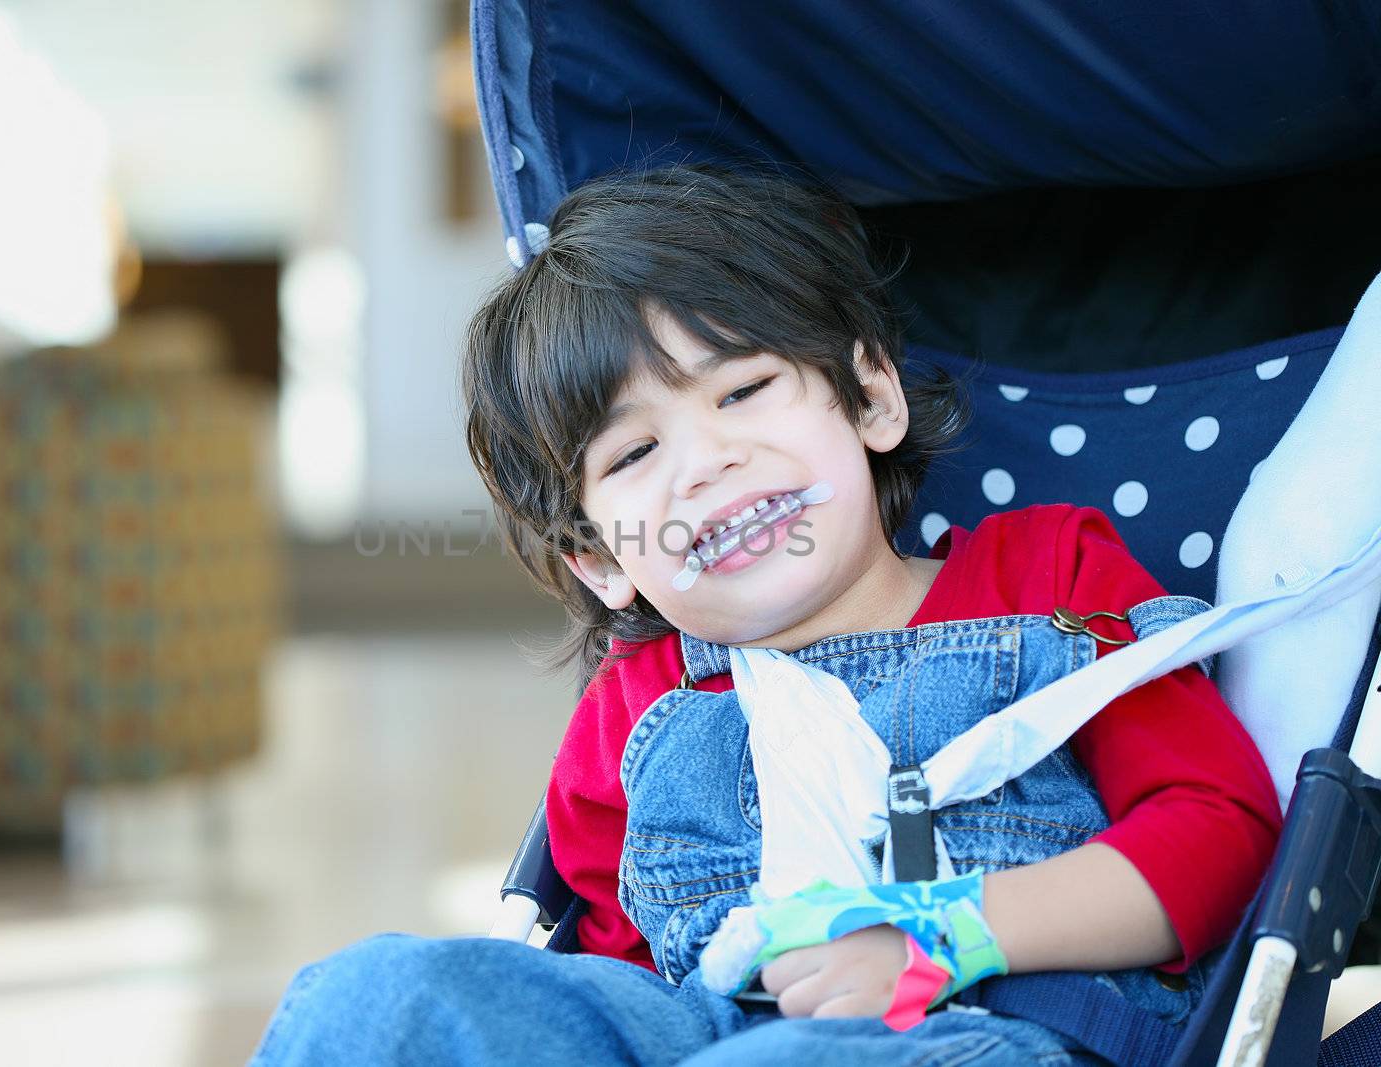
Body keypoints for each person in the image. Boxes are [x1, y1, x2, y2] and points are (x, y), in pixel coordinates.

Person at [249, 165, 1283, 1066]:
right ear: (602, 558)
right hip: (700, 1025)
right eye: (633, 454)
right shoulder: (635, 708)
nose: (705, 461)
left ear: (871, 396)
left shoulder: (1047, 575)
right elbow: (615, 974)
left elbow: (1218, 837)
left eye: (743, 389)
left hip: (986, 1021)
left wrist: (952, 930)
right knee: (377, 998)